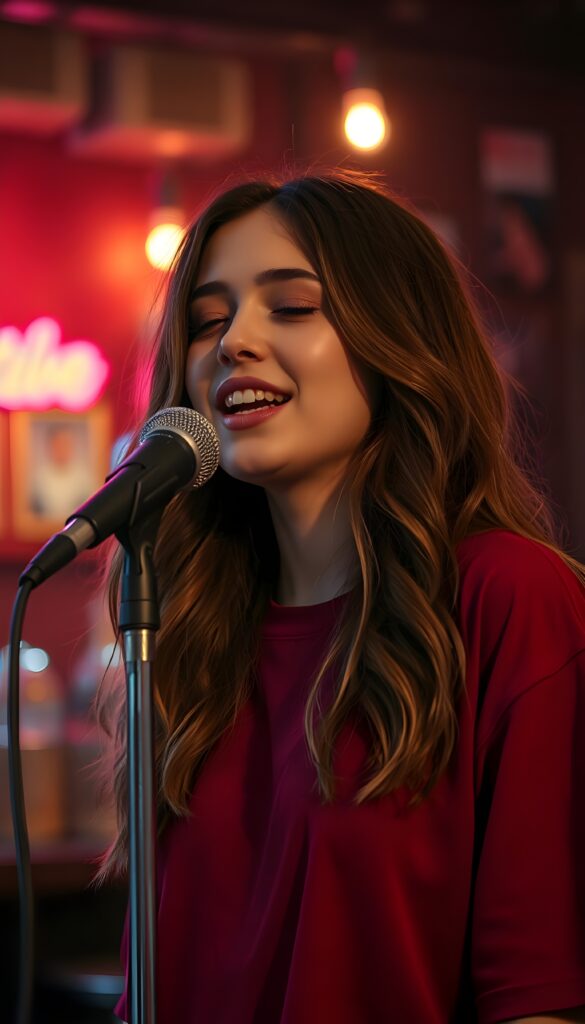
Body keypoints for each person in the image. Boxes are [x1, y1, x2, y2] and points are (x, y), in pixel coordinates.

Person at [95, 169, 585, 1024]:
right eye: (208, 320)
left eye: (290, 306)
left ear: (398, 338)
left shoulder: (510, 599)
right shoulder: (194, 640)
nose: (232, 342)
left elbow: (537, 996)